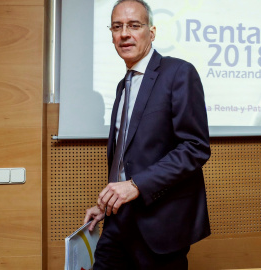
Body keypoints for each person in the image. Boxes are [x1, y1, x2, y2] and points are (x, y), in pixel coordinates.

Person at [83, 0, 211, 269]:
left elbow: (195, 147)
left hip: (160, 226)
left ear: (151, 33)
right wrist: (107, 204)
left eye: (134, 25)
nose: (124, 34)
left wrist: (136, 185)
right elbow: (128, 158)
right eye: (117, 27)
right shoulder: (123, 86)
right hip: (118, 221)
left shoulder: (178, 72)